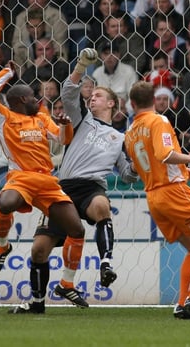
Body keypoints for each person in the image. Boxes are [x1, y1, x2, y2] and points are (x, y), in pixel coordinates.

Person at [9, 49, 139, 314]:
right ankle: (36, 303)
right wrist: (80, 65)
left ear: (112, 104)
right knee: (39, 251)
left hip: (92, 188)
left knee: (102, 206)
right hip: (63, 188)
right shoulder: (82, 120)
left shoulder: (121, 138)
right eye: (91, 97)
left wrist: (137, 163)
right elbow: (68, 92)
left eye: (98, 96)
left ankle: (106, 263)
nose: (92, 99)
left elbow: (126, 175)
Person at [0, 60, 88, 308]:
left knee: (77, 230)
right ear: (19, 101)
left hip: (48, 181)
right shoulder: (3, 117)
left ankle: (67, 284)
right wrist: (6, 74)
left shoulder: (41, 117)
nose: (38, 99)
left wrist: (66, 126)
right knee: (7, 202)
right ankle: (3, 247)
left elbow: (62, 138)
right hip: (21, 178)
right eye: (31, 96)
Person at [124, 80, 190, 319]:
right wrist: (189, 159)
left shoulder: (130, 131)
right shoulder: (158, 120)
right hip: (172, 192)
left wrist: (181, 170)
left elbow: (143, 164)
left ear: (131, 103)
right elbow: (164, 154)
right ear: (155, 100)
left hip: (153, 196)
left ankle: (182, 304)